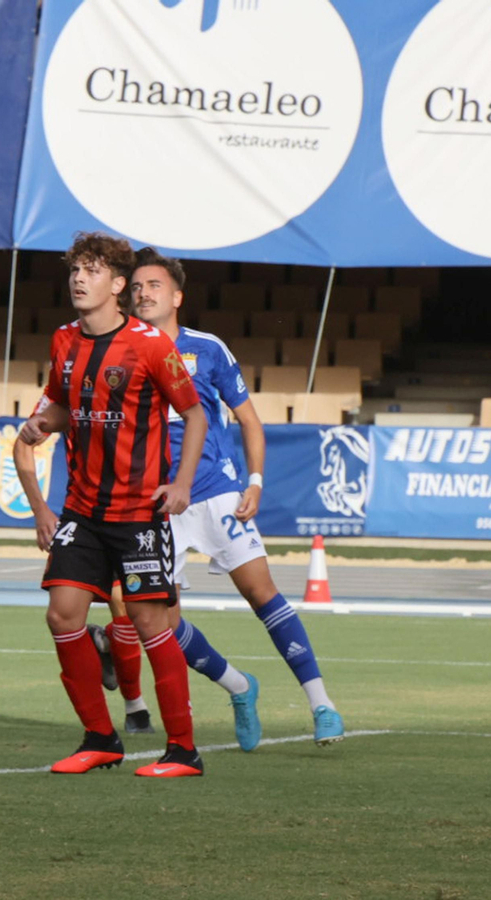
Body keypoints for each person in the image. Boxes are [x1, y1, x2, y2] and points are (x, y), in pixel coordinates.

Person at [129, 248, 345, 748]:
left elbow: (249, 420)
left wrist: (255, 483)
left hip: (217, 492)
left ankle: (322, 704)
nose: (143, 293)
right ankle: (239, 686)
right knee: (160, 620)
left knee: (261, 592)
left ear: (177, 296)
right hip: (156, 505)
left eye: (154, 285)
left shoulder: (207, 348)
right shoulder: (122, 351)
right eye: (137, 286)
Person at [18, 233, 210, 778]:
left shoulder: (151, 345)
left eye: (93, 270)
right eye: (75, 269)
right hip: (82, 509)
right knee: (63, 614)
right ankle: (100, 738)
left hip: (138, 512)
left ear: (118, 284)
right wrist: (41, 424)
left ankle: (182, 750)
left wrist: (182, 484)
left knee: (151, 625)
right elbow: (61, 402)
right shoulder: (62, 341)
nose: (80, 279)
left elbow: (194, 415)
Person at [13, 431, 156, 735]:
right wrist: (39, 509)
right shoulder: (67, 387)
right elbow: (24, 442)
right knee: (64, 613)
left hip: (134, 512)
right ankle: (120, 719)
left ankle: (132, 702)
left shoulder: (147, 385)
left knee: (135, 609)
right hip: (84, 517)